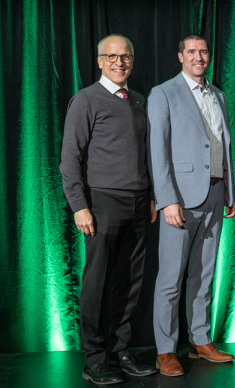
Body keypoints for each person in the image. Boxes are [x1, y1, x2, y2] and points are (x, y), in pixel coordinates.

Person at [60, 34, 157, 385]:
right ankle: (94, 359)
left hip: (138, 204)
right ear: (100, 61)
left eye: (126, 56)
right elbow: (70, 158)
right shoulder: (86, 100)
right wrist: (79, 206)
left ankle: (121, 351)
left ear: (132, 61)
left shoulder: (140, 101)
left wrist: (151, 197)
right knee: (97, 283)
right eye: (112, 56)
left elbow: (146, 155)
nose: (119, 62)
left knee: (129, 284)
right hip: (102, 203)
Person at [148, 34, 235, 376]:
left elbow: (223, 146)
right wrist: (167, 199)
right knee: (171, 278)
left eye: (203, 51)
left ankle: (200, 341)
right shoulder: (164, 93)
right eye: (192, 52)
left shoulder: (219, 95)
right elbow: (158, 151)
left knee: (205, 275)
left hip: (215, 195)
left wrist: (228, 192)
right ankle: (166, 350)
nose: (199, 57)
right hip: (181, 201)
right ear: (180, 56)